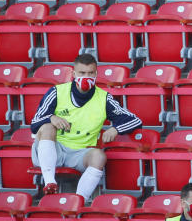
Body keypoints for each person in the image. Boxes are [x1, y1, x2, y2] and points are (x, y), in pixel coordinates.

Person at [30, 53, 142, 198]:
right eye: (82, 73)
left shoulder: (104, 98)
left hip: (80, 153)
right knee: (47, 127)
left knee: (99, 156)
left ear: (96, 74)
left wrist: (115, 129)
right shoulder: (57, 92)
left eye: (90, 73)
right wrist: (51, 118)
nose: (86, 77)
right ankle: (50, 183)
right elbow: (34, 123)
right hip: (54, 149)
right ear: (74, 73)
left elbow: (134, 120)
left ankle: (80, 200)